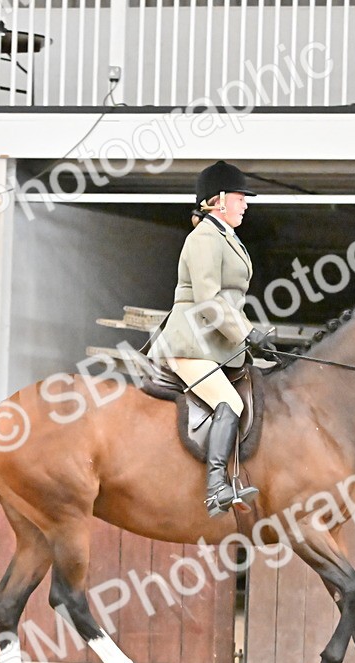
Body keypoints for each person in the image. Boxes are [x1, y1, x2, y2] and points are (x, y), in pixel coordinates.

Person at [148, 160, 276, 516]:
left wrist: (253, 339)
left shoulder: (226, 237)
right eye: (240, 198)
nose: (245, 205)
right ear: (219, 199)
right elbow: (208, 299)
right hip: (190, 344)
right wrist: (246, 333)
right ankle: (216, 487)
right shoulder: (205, 237)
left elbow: (230, 301)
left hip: (215, 345)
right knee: (229, 402)